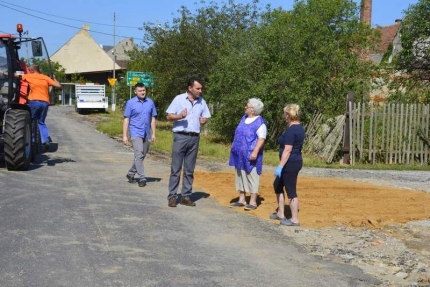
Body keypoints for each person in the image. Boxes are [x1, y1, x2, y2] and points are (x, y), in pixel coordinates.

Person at [166, 77, 211, 207]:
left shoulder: (202, 102)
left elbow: (206, 117)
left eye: (201, 88)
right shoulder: (179, 99)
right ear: (190, 88)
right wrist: (180, 116)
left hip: (194, 137)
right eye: (198, 88)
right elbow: (169, 116)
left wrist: (204, 121)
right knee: (176, 168)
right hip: (180, 136)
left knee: (189, 169)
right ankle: (173, 197)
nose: (200, 91)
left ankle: (186, 196)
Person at [229, 98, 266, 210]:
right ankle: (242, 199)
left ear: (253, 110)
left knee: (252, 176)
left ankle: (253, 202)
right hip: (239, 154)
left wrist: (255, 152)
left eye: (247, 106)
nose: (245, 107)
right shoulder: (244, 118)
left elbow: (261, 138)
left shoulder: (260, 122)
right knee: (240, 175)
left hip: (251, 155)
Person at [272, 104, 305, 226]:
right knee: (277, 184)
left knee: (291, 190)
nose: (284, 117)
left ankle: (294, 219)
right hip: (294, 161)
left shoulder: (291, 130)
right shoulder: (299, 127)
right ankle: (281, 213)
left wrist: (280, 166)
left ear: (288, 115)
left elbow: (287, 150)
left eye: (285, 114)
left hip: (290, 163)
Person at [16, 64, 61, 151]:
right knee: (41, 122)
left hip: (34, 102)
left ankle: (32, 140)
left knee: (31, 122)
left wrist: (4, 72)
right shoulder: (45, 77)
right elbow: (59, 86)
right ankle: (45, 141)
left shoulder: (29, 76)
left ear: (32, 70)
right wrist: (54, 78)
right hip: (45, 103)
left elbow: (16, 76)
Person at [122, 82, 157, 187]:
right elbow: (126, 119)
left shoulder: (150, 102)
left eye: (144, 90)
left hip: (146, 133)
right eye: (140, 91)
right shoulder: (130, 103)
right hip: (135, 132)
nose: (143, 92)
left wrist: (154, 133)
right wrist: (124, 135)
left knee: (141, 155)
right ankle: (142, 178)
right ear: (135, 92)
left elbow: (153, 119)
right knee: (139, 154)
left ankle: (131, 173)